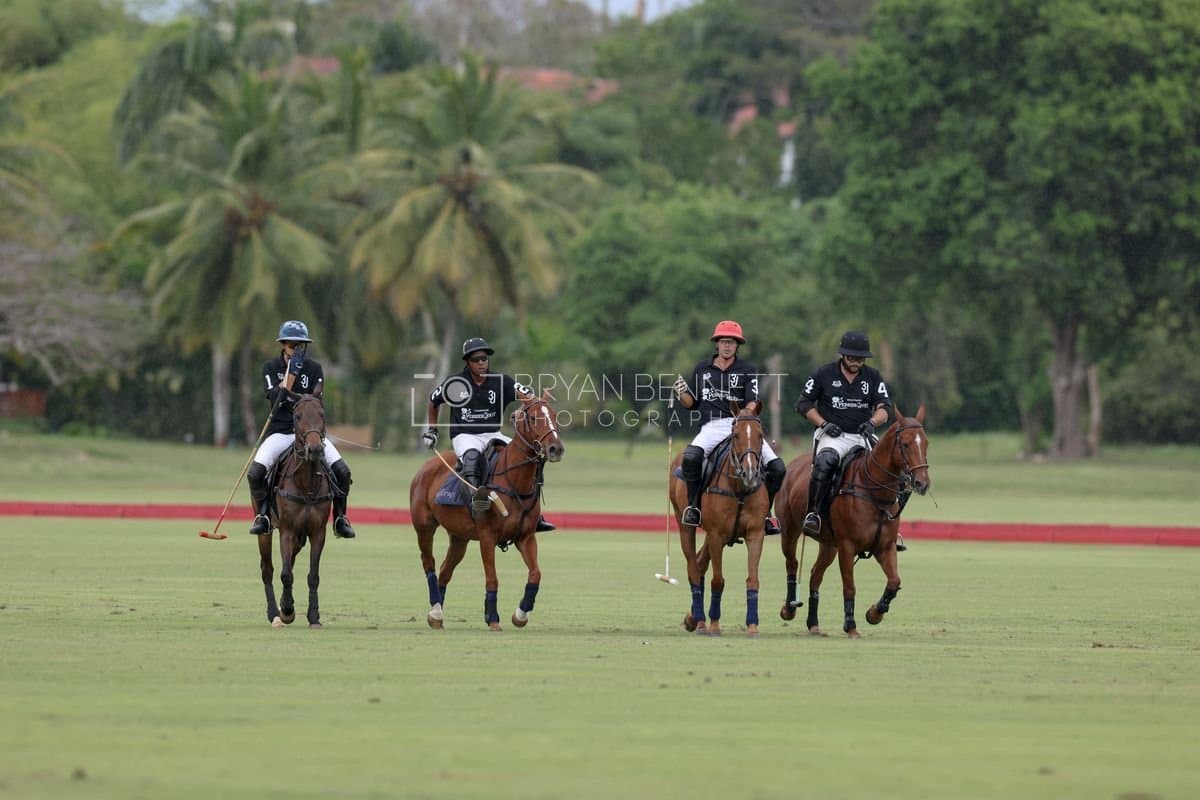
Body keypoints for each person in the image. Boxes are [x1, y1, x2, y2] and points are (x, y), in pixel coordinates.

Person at [422, 337, 556, 532]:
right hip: (465, 435)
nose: (482, 362)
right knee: (472, 457)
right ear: (467, 361)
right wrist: (432, 430)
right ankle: (477, 507)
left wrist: (524, 408)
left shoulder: (501, 381)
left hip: (492, 432)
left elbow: (530, 398)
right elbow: (433, 402)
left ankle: (534, 514)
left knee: (531, 456)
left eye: (484, 358)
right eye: (476, 359)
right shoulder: (455, 383)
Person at [672, 320, 787, 535]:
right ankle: (694, 507)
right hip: (711, 426)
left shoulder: (747, 370)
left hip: (742, 426)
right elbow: (692, 403)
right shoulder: (702, 369)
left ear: (737, 345)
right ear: (717, 344)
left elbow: (753, 400)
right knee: (691, 458)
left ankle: (766, 515)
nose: (727, 345)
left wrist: (745, 415)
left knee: (778, 468)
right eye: (723, 341)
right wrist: (681, 393)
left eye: (732, 342)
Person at [246, 320, 356, 539]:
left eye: (301, 346)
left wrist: (293, 387)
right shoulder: (270, 368)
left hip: (309, 434)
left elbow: (315, 401)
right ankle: (264, 516)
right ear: (283, 345)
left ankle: (341, 518)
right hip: (280, 433)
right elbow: (276, 398)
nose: (296, 351)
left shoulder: (314, 368)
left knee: (343, 472)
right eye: (291, 345)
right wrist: (290, 375)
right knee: (255, 473)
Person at [794, 330, 900, 547]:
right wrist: (823, 423)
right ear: (843, 355)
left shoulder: (872, 376)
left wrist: (872, 422)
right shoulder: (824, 374)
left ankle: (892, 524)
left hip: (863, 434)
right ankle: (813, 514)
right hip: (834, 435)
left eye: (860, 358)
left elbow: (884, 407)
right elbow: (803, 404)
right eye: (851, 357)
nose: (855, 362)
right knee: (825, 463)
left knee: (896, 467)